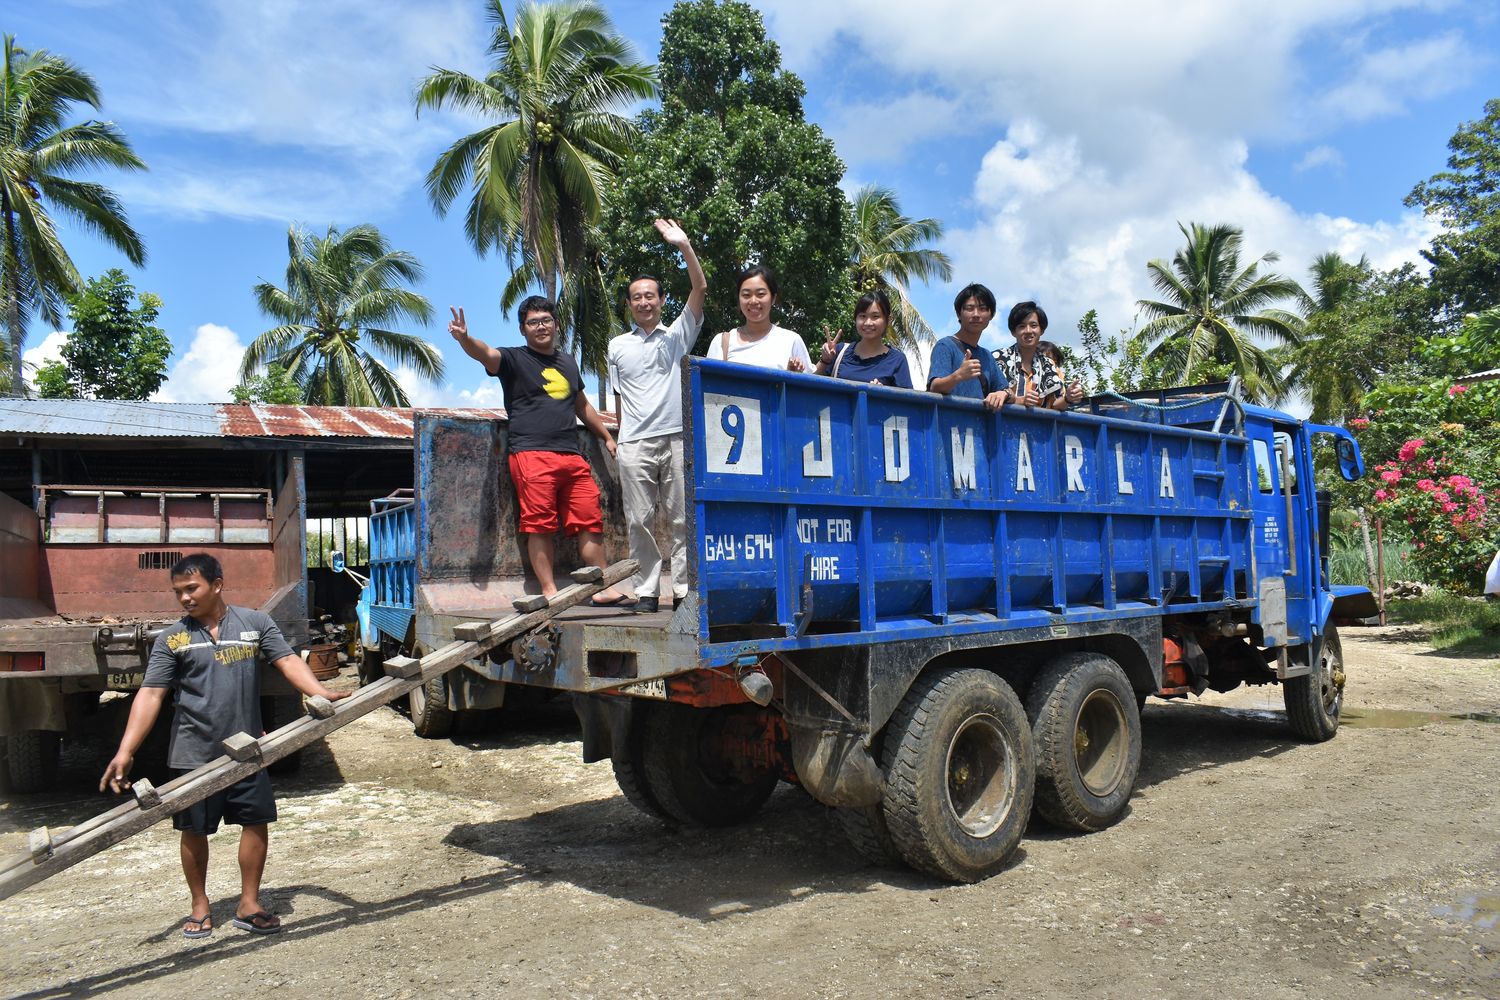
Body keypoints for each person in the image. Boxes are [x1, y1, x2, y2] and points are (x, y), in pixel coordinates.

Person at [100, 553, 350, 939]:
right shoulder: (173, 638)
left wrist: (320, 692)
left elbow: (287, 662)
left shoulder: (255, 623)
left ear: (217, 584)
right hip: (192, 754)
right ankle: (200, 904)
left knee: (255, 822)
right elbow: (150, 694)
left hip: (247, 749)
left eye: (191, 588)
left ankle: (249, 903)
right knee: (194, 830)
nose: (184, 598)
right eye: (178, 591)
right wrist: (125, 750)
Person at [448, 296, 629, 605]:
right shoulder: (514, 359)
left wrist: (606, 437)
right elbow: (486, 354)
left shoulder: (568, 362)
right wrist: (465, 339)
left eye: (546, 320)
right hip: (531, 455)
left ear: (556, 325)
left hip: (571, 456)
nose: (541, 326)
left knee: (589, 521)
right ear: (523, 329)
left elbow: (581, 405)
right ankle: (549, 591)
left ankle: (602, 587)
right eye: (533, 322)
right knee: (539, 525)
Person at [607, 219, 706, 614]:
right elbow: (619, 397)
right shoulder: (617, 345)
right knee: (639, 521)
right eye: (637, 297)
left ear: (662, 300)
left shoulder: (678, 335)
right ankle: (646, 592)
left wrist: (684, 246)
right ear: (629, 304)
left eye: (650, 296)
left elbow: (699, 288)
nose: (644, 302)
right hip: (633, 444)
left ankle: (682, 592)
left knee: (683, 521)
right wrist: (617, 439)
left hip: (678, 437)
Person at [705, 265, 814, 372]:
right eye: (746, 295)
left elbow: (810, 386)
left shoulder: (791, 340)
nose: (753, 301)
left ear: (773, 298)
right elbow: (708, 385)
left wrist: (792, 376)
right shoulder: (721, 342)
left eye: (760, 294)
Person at [926, 282, 1010, 410]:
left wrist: (1004, 393)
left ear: (991, 315)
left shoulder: (987, 355)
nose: (976, 314)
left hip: (979, 426)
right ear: (959, 314)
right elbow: (934, 387)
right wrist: (958, 375)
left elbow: (1006, 391)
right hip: (949, 425)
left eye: (982, 308)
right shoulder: (945, 346)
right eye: (970, 308)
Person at [814, 289, 914, 389]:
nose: (868, 323)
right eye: (862, 316)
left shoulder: (897, 360)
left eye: (875, 316)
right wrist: (825, 360)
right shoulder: (839, 351)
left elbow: (907, 403)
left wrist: (883, 395)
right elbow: (811, 386)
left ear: (888, 320)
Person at [993, 301, 1084, 411]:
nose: (1028, 331)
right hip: (1000, 425)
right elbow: (987, 396)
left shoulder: (1049, 364)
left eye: (1033, 325)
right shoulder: (998, 358)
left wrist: (1068, 398)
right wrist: (1020, 400)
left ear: (1042, 330)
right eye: (1022, 326)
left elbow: (1055, 405)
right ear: (1013, 331)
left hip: (1039, 427)